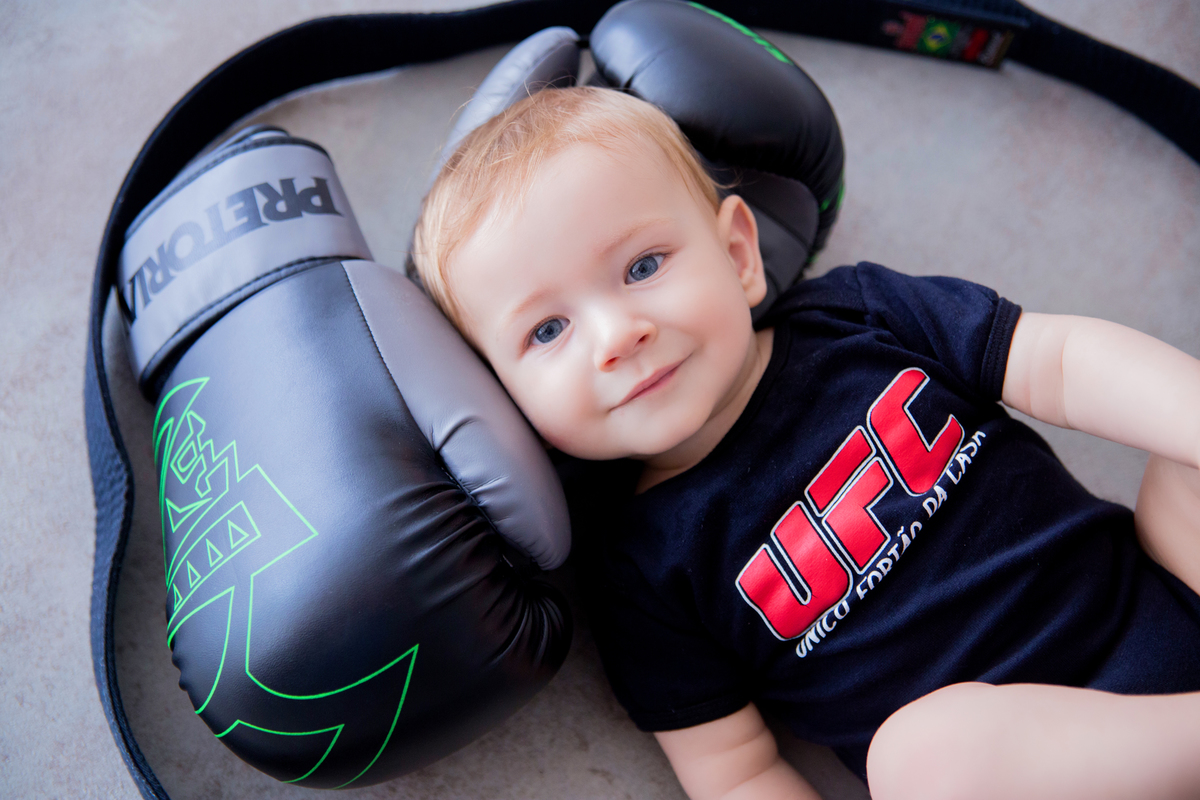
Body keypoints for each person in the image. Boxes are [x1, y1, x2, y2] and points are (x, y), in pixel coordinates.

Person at [410, 85, 1200, 800]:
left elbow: (1060, 364)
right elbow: (735, 772)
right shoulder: (638, 566)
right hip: (1017, 775)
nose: (618, 334)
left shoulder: (856, 314)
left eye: (643, 265)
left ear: (738, 256)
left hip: (1168, 605)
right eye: (548, 330)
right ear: (505, 403)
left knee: (1178, 441)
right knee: (922, 762)